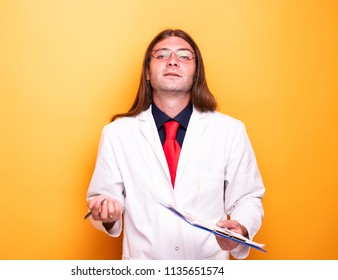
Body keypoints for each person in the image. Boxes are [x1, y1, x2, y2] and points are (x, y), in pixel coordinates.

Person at [86, 29, 265, 260]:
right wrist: (107, 214)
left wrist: (240, 227)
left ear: (196, 72)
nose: (172, 61)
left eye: (184, 56)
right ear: (148, 73)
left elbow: (247, 197)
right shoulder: (117, 134)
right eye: (161, 55)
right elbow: (104, 200)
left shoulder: (230, 131)